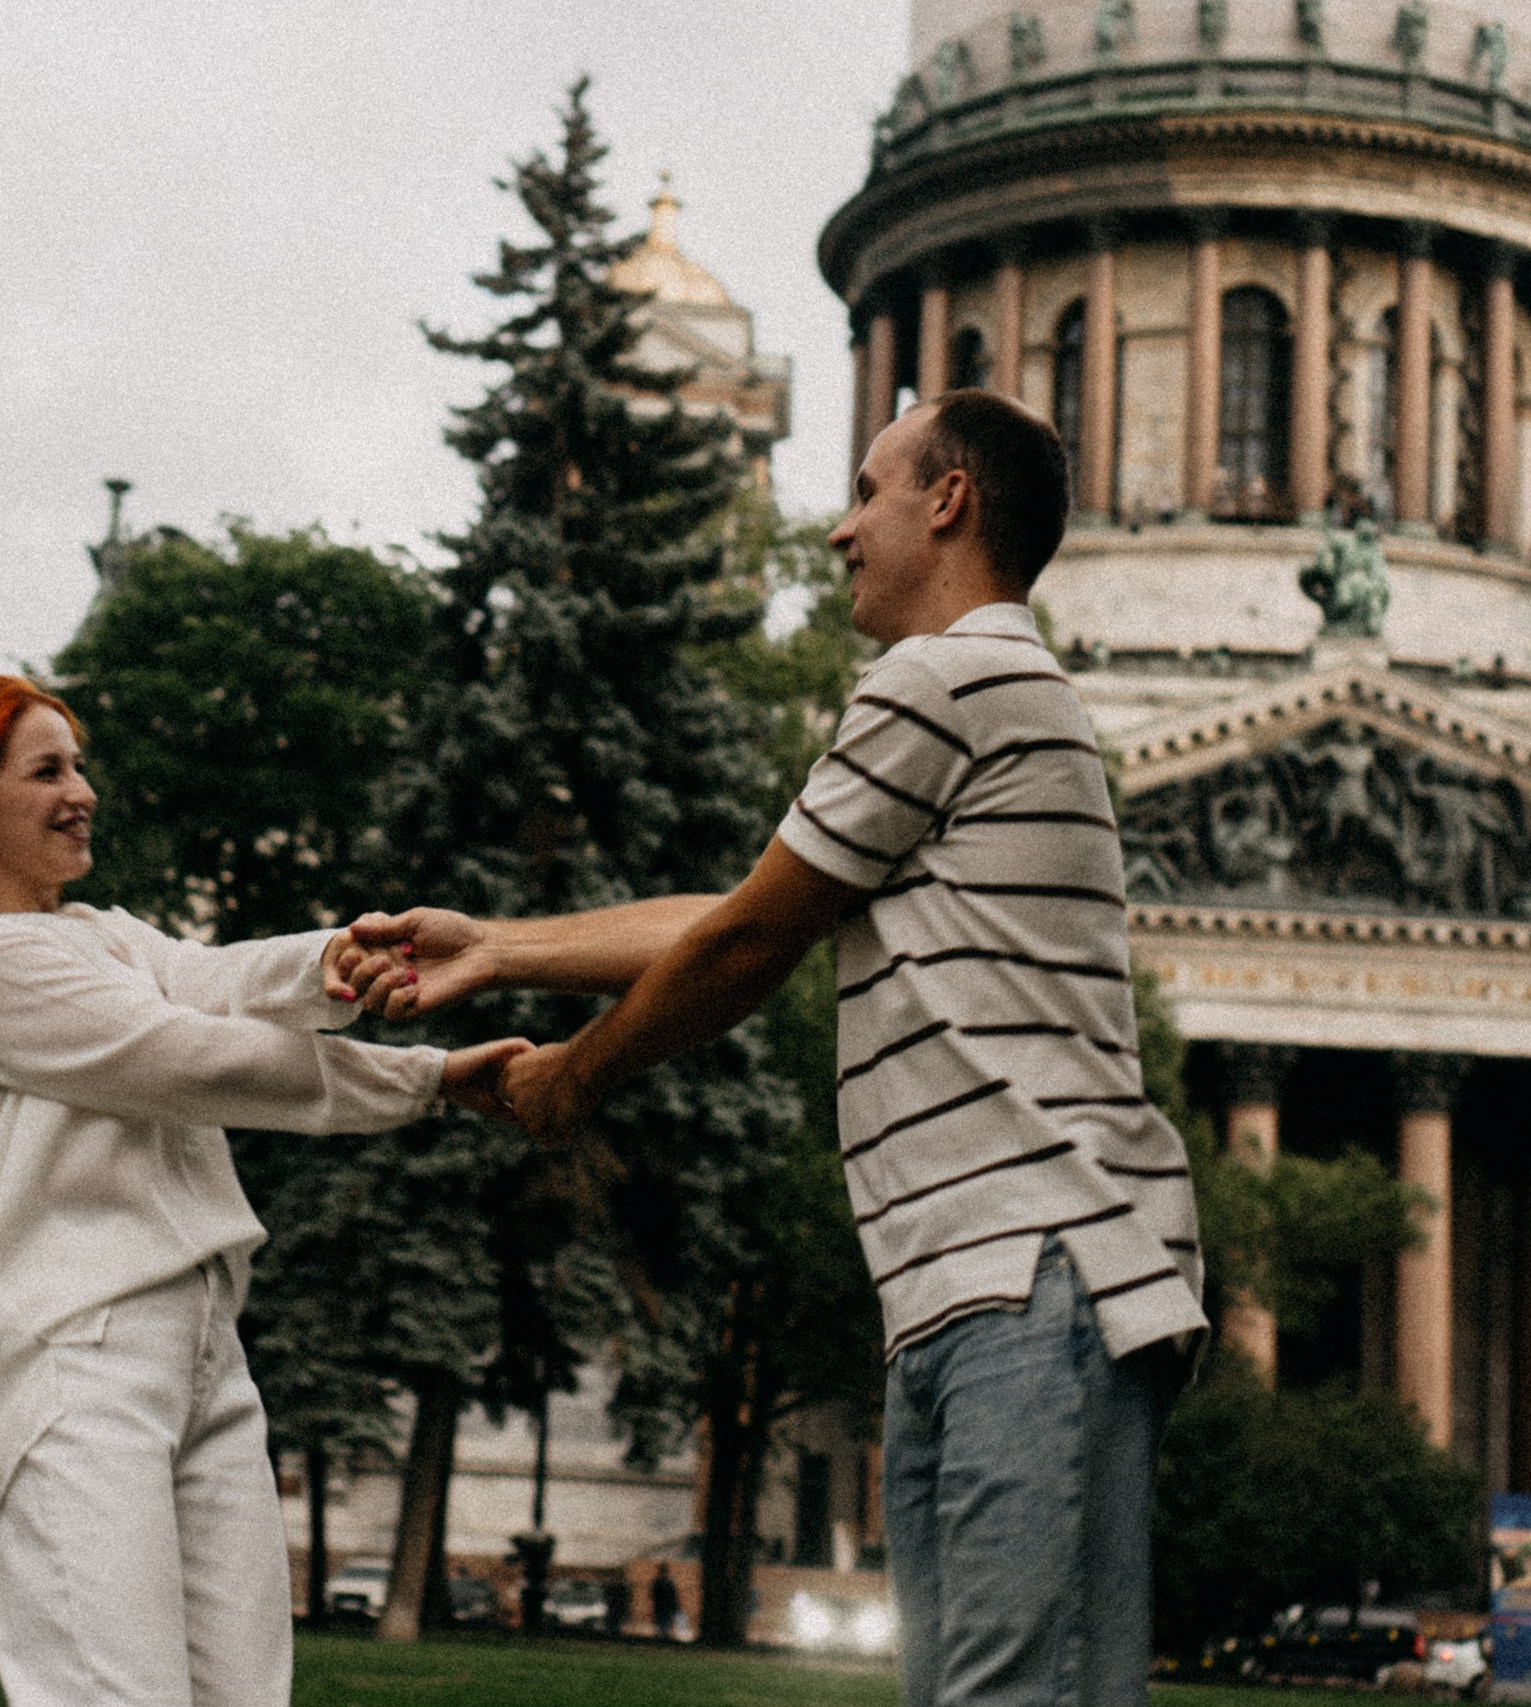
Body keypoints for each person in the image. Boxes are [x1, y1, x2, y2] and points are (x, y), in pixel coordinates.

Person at [341, 391, 1207, 1706]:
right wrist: (502, 946)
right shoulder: (979, 695)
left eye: (868, 490)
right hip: (971, 1291)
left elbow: (749, 945)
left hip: (1031, 1270)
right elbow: (752, 913)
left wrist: (572, 1077)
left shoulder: (948, 674)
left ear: (949, 499)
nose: (839, 527)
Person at [0, 676, 524, 1707]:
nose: (81, 790)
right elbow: (186, 1055)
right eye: (46, 771)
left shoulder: (104, 937)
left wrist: (343, 958)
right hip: (74, 1356)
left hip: (205, 1351)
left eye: (78, 764)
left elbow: (212, 981)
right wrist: (428, 1082)